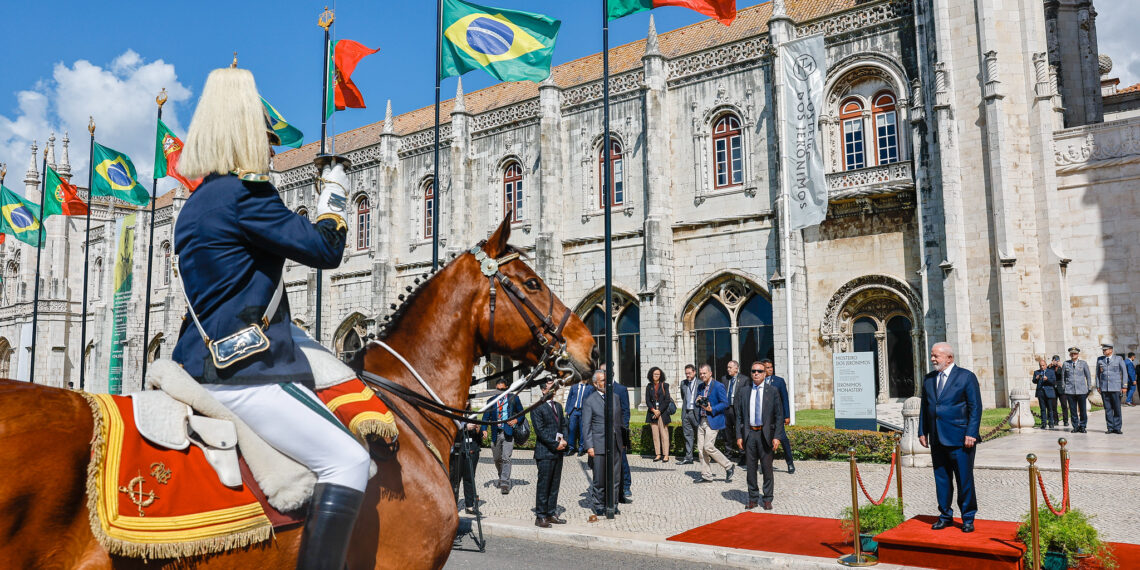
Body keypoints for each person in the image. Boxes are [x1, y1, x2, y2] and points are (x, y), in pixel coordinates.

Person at [171, 66, 368, 569]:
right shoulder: (245, 194)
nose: (274, 146)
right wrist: (335, 190)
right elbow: (325, 248)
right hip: (243, 373)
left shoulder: (196, 204)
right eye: (266, 134)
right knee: (350, 459)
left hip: (194, 362)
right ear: (243, 133)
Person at [918, 342, 982, 533]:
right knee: (942, 480)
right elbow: (925, 406)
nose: (932, 359)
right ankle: (945, 515)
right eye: (932, 355)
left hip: (961, 438)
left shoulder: (966, 377)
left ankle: (968, 517)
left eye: (935, 356)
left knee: (964, 480)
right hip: (937, 438)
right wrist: (922, 431)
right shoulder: (929, 379)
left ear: (949, 358)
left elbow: (975, 407)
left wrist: (971, 432)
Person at [734, 362, 784, 510]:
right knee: (750, 469)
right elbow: (739, 417)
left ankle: (767, 498)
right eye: (753, 371)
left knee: (767, 469)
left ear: (764, 374)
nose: (756, 373)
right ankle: (753, 498)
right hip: (750, 434)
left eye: (759, 371)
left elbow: (779, 416)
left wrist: (777, 437)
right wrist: (739, 435)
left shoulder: (772, 391)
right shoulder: (743, 391)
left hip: (766, 434)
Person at [582, 370, 625, 522]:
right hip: (598, 444)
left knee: (615, 476)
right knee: (599, 478)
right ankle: (599, 504)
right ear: (595, 383)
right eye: (602, 380)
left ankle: (613, 504)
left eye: (606, 380)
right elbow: (586, 426)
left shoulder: (615, 398)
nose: (605, 383)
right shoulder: (590, 400)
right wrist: (589, 446)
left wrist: (623, 441)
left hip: (615, 443)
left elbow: (620, 421)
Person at [530, 378, 568, 528]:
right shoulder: (536, 407)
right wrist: (555, 444)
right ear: (543, 390)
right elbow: (540, 431)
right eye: (549, 388)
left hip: (558, 452)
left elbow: (563, 425)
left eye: (554, 388)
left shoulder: (558, 406)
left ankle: (551, 513)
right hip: (545, 452)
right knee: (544, 484)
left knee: (554, 484)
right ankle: (540, 516)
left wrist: (564, 441)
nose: (553, 391)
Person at [481, 377, 523, 494]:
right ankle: (501, 476)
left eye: (502, 390)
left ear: (506, 389)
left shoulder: (514, 398)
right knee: (496, 458)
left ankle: (505, 482)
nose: (500, 392)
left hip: (508, 432)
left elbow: (522, 414)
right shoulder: (491, 401)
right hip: (496, 433)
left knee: (506, 457)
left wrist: (515, 420)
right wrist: (484, 429)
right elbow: (485, 417)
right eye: (498, 390)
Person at [695, 364, 735, 483]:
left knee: (708, 447)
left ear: (710, 373)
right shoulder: (700, 386)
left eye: (704, 373)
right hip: (701, 420)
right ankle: (706, 475)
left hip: (713, 419)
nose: (702, 375)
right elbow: (700, 402)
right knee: (701, 449)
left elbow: (725, 403)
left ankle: (728, 465)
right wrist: (698, 400)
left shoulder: (718, 386)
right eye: (701, 373)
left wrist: (712, 409)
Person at [763, 359, 796, 474]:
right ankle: (767, 465)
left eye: (771, 367)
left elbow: (785, 399)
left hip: (778, 416)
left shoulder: (779, 381)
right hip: (765, 418)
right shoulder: (759, 382)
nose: (770, 369)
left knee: (783, 439)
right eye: (767, 367)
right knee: (766, 441)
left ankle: (790, 463)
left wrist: (787, 415)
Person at [450, 418, 481, 515]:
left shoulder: (473, 416)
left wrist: (478, 430)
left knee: (470, 478)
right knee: (455, 480)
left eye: (468, 401)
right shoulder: (454, 416)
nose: (467, 402)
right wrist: (464, 428)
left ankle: (469, 506)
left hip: (471, 451)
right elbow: (451, 431)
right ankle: (453, 506)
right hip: (457, 452)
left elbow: (479, 438)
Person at [720, 361, 747, 466]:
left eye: (730, 367)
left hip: (738, 410)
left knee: (739, 431)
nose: (728, 369)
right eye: (727, 367)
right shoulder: (724, 379)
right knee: (727, 432)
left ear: (737, 368)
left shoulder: (744, 380)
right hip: (726, 409)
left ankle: (743, 455)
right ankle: (727, 454)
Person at [1060, 347, 1093, 433]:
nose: (1073, 355)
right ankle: (1075, 426)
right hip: (1070, 390)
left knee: (1082, 410)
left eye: (1075, 353)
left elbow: (1088, 376)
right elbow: (1063, 377)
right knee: (1073, 410)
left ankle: (1082, 426)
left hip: (1081, 390)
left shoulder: (1083, 364)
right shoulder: (1066, 364)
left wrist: (1089, 387)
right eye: (1072, 353)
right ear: (1070, 354)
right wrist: (1064, 387)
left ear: (1078, 354)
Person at [1095, 344, 1127, 434]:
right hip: (1104, 388)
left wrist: (1124, 386)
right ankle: (1110, 427)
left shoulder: (1118, 359)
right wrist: (1098, 386)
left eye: (1105, 350)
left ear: (1111, 350)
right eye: (1103, 350)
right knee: (1108, 409)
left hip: (1116, 387)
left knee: (1117, 408)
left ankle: (1117, 428)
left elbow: (1124, 372)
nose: (1104, 351)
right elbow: (1097, 374)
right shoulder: (1100, 359)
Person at [644, 367, 673, 462]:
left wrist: (659, 411)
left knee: (664, 434)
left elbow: (667, 400)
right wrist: (653, 410)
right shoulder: (649, 386)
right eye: (655, 374)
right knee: (655, 434)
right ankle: (658, 454)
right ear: (651, 375)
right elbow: (647, 400)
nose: (656, 376)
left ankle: (666, 455)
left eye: (658, 374)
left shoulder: (665, 385)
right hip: (652, 413)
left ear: (661, 376)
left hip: (662, 413)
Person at [611, 379, 633, 499]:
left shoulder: (621, 389)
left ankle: (626, 485)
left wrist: (624, 429)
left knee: (622, 458)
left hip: (619, 430)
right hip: (604, 432)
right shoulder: (597, 389)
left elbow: (626, 411)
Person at [565, 377, 594, 456]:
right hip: (573, 410)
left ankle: (581, 449)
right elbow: (569, 398)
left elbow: (592, 400)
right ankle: (571, 448)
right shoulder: (574, 386)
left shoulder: (590, 388)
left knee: (582, 430)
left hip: (584, 411)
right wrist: (567, 411)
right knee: (571, 429)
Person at [679, 364, 700, 465]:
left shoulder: (700, 383)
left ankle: (702, 457)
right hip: (686, 412)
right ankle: (688, 457)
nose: (687, 375)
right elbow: (684, 397)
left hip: (696, 413)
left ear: (694, 372)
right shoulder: (683, 383)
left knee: (700, 436)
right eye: (686, 373)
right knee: (687, 435)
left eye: (689, 373)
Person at [1032, 358, 1058, 429]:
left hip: (1049, 392)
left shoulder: (1051, 372)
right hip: (1041, 393)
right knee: (1042, 409)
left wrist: (1048, 379)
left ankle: (1051, 423)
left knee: (1050, 409)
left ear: (1046, 365)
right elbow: (1033, 381)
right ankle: (1043, 423)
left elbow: (1054, 382)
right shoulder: (1036, 372)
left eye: (1043, 365)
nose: (1042, 367)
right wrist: (1036, 378)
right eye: (1040, 366)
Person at [1049, 355, 1068, 427]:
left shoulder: (1063, 367)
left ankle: (1065, 421)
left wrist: (1062, 366)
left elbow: (1067, 374)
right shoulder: (1050, 367)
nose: (1056, 362)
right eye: (1055, 360)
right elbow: (1047, 372)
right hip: (1053, 388)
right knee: (1054, 406)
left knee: (1064, 405)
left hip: (1061, 388)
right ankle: (1055, 421)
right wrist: (1050, 365)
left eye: (1057, 360)